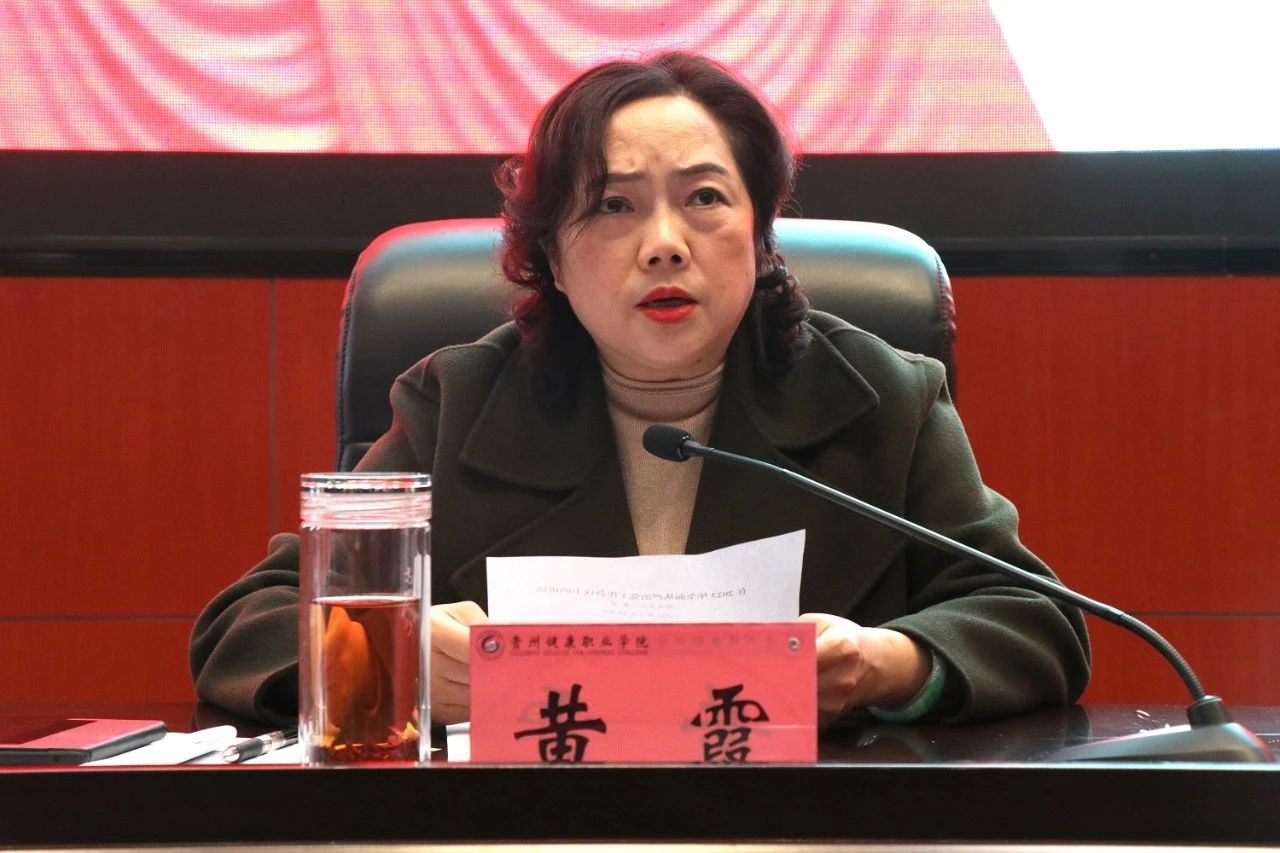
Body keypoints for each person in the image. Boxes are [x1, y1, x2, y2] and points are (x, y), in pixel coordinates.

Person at [190, 52, 1089, 729]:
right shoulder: (458, 406)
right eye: (614, 206)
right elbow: (245, 624)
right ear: (549, 257)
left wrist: (889, 663)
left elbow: (1035, 619)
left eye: (705, 198)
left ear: (760, 236)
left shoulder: (882, 399)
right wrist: (396, 658)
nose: (664, 242)